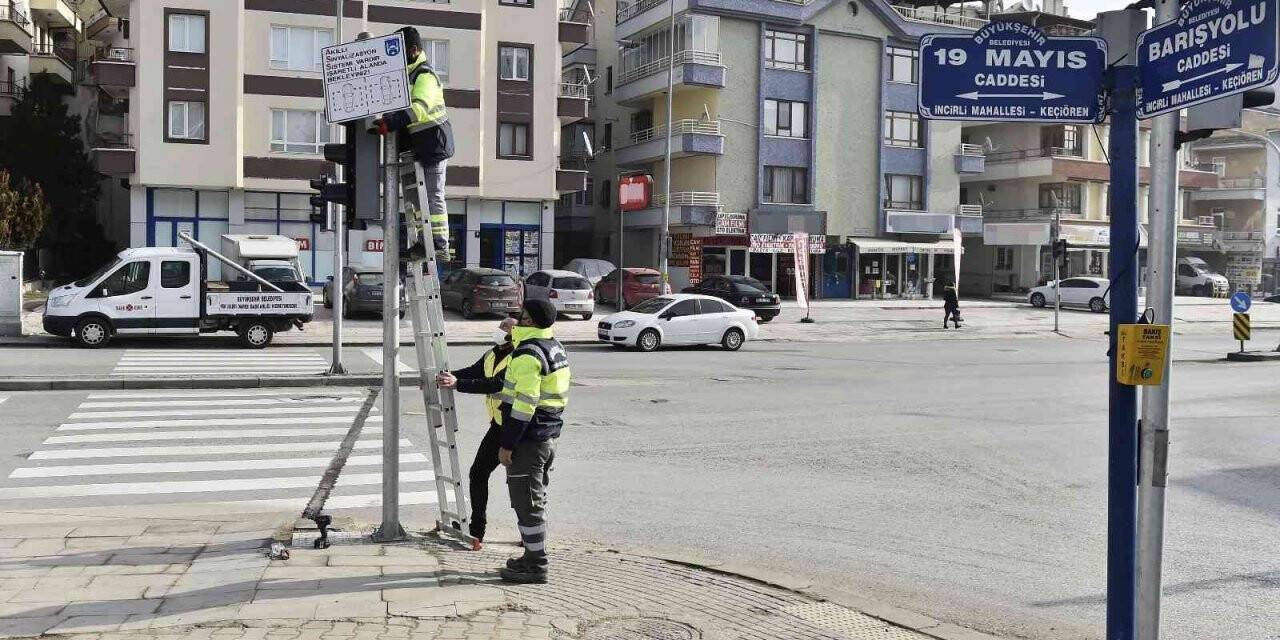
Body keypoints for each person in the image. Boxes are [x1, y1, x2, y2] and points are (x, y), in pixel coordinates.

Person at [496, 299, 571, 584]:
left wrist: (507, 445)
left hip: (528, 440)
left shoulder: (528, 355)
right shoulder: (554, 346)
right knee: (534, 500)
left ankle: (537, 565)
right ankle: (530, 557)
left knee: (527, 503)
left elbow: (524, 406)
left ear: (532, 322)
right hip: (546, 435)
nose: (517, 320)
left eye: (522, 316)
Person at [370, 26, 453, 260]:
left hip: (434, 145)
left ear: (414, 51)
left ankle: (439, 243)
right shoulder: (409, 76)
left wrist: (391, 123)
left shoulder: (425, 76)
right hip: (421, 145)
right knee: (417, 198)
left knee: (433, 194)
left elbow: (419, 109)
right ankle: (422, 242)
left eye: (400, 52)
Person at [435, 318, 517, 551]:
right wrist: (445, 379)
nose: (498, 330)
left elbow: (495, 384)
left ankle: (530, 533)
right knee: (478, 473)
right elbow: (475, 372)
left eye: (504, 327)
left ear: (515, 332)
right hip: (499, 426)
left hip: (520, 428)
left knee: (520, 482)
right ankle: (476, 529)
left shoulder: (519, 356)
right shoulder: (492, 354)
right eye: (500, 326)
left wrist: (458, 383)